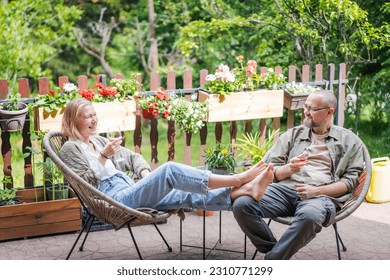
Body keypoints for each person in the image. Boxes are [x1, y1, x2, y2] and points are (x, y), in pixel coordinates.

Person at [59, 98, 274, 214]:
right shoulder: (70, 149)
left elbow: (134, 158)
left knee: (185, 194)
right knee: (169, 169)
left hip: (130, 190)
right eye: (88, 117)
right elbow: (84, 183)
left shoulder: (99, 141)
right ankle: (238, 179)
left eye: (94, 114)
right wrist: (104, 157)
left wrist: (144, 174)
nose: (94, 120)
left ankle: (243, 190)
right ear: (73, 121)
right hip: (113, 200)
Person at [233, 90, 365, 260]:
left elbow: (350, 182)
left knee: (311, 216)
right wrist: (289, 169)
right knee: (242, 204)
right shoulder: (293, 135)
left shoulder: (349, 141)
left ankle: (272, 261)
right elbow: (269, 171)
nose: (306, 112)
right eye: (306, 107)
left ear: (329, 111)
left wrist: (315, 191)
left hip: (321, 197)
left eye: (313, 109)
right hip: (285, 190)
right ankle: (276, 252)